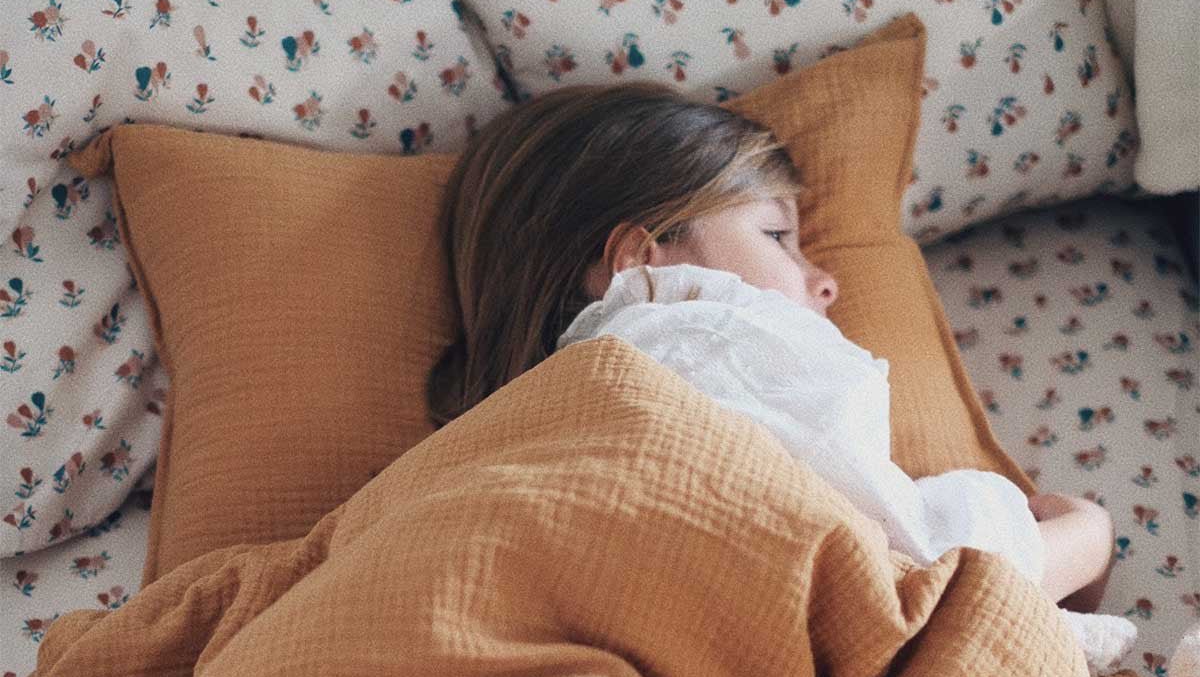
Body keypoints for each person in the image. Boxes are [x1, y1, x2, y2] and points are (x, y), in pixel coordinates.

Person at [427, 81, 1121, 630]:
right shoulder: (701, 341)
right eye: (776, 235)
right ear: (640, 257)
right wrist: (1086, 539)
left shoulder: (510, 430)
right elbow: (902, 595)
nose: (826, 280)